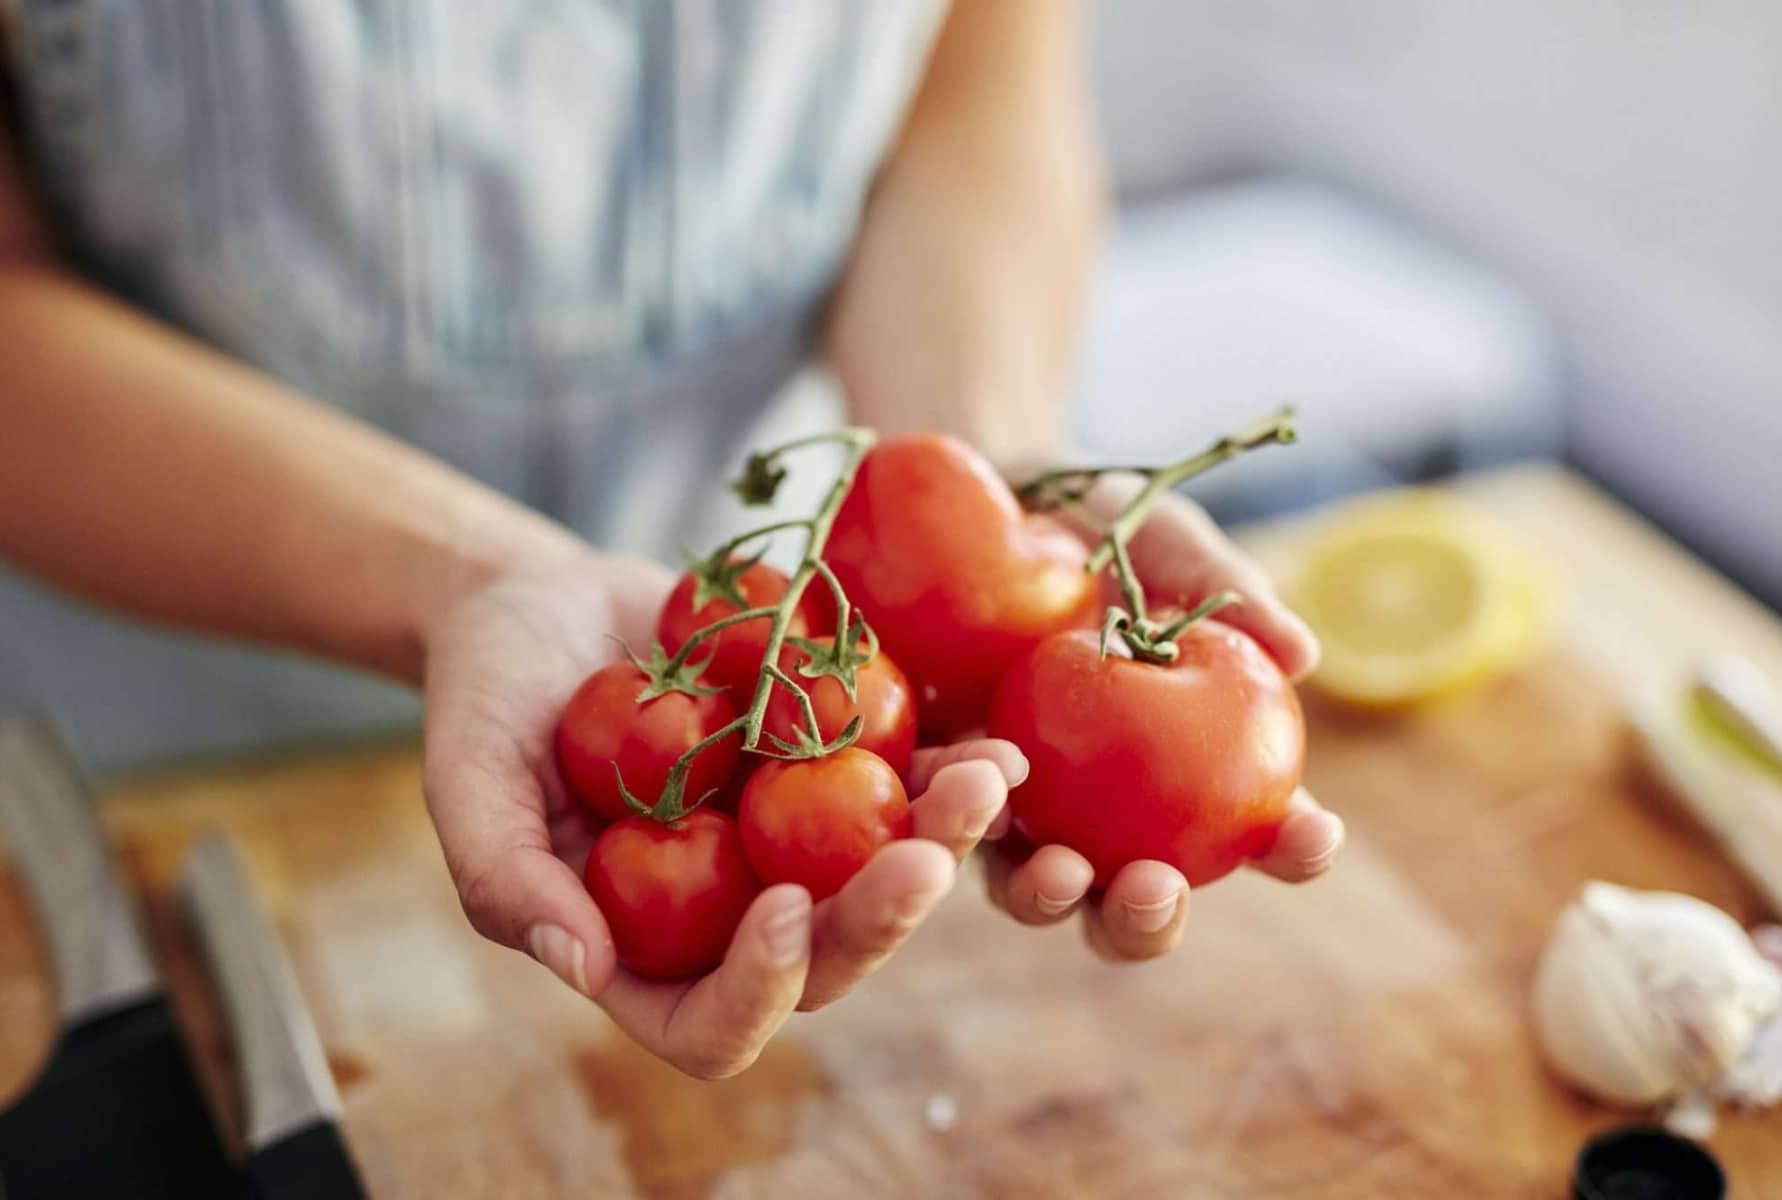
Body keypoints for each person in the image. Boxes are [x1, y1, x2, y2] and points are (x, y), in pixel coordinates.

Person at [0, 1, 1342, 1079]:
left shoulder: (795, 705)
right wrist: (458, 576)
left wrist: (966, 469)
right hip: (173, 747)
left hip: (767, 635)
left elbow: (974, 90)